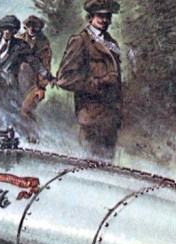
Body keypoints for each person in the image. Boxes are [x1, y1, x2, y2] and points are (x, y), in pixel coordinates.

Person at [56, 0, 123, 161]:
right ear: (90, 18)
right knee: (90, 165)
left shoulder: (111, 44)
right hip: (91, 117)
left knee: (108, 166)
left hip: (110, 119)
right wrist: (97, 83)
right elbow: (64, 78)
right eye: (100, 15)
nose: (105, 20)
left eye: (108, 16)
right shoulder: (80, 41)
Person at [0, 16, 53, 136]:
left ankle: (24, 135)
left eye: (10, 29)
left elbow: (35, 62)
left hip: (9, 83)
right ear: (1, 29)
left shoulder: (21, 45)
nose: (7, 32)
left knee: (14, 111)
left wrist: (48, 76)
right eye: (5, 28)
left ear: (15, 31)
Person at [16, 15, 53, 141]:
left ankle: (34, 136)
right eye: (29, 26)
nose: (31, 29)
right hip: (19, 82)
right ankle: (27, 139)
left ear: (39, 28)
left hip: (34, 84)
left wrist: (41, 87)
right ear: (25, 27)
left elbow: (45, 67)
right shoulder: (18, 39)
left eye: (35, 26)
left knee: (25, 110)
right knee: (23, 111)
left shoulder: (44, 44)